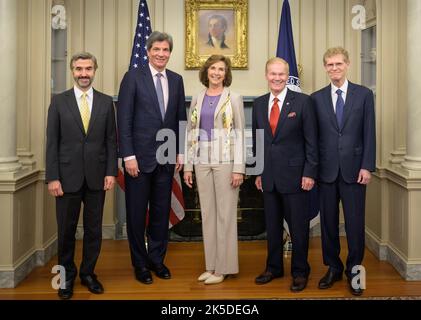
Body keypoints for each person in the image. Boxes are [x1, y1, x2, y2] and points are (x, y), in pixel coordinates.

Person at [46, 52, 117, 299]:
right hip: (66, 178)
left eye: (88, 69)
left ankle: (88, 273)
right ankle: (65, 279)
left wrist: (111, 172)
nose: (83, 73)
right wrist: (52, 177)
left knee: (94, 230)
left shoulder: (107, 102)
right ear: (72, 71)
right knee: (66, 231)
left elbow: (111, 142)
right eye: (79, 69)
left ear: (95, 70)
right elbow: (51, 142)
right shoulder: (58, 101)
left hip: (98, 177)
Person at [117, 31, 187, 285]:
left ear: (170, 53)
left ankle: (157, 260)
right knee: (136, 214)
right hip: (139, 160)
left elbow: (180, 118)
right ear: (148, 52)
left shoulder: (177, 80)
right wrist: (128, 156)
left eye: (165, 50)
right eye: (156, 49)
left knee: (160, 212)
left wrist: (180, 152)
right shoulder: (133, 77)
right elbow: (123, 120)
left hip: (167, 158)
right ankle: (140, 264)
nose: (161, 54)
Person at [311, 47, 375, 296]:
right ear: (325, 67)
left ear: (347, 64)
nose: (334, 68)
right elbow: (313, 139)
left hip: (355, 172)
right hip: (325, 173)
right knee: (327, 224)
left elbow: (369, 133)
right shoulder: (316, 99)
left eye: (338, 64)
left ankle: (355, 272)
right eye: (329, 65)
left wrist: (367, 166)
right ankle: (333, 268)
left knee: (355, 225)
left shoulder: (364, 95)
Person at [252, 57, 318, 292]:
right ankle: (274, 267)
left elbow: (312, 140)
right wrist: (258, 172)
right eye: (273, 74)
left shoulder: (302, 102)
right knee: (271, 227)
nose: (277, 78)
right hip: (268, 177)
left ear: (287, 76)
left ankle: (300, 271)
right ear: (266, 75)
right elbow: (258, 141)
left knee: (298, 228)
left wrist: (309, 172)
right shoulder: (259, 104)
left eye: (281, 74)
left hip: (296, 176)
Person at [184, 55, 245, 285]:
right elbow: (191, 133)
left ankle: (224, 268)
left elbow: (239, 134)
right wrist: (188, 166)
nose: (217, 73)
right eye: (213, 68)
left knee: (225, 215)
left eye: (221, 69)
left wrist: (239, 168)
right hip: (201, 161)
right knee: (208, 215)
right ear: (206, 71)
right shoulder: (197, 98)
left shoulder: (234, 98)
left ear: (226, 73)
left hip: (226, 161)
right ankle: (211, 266)